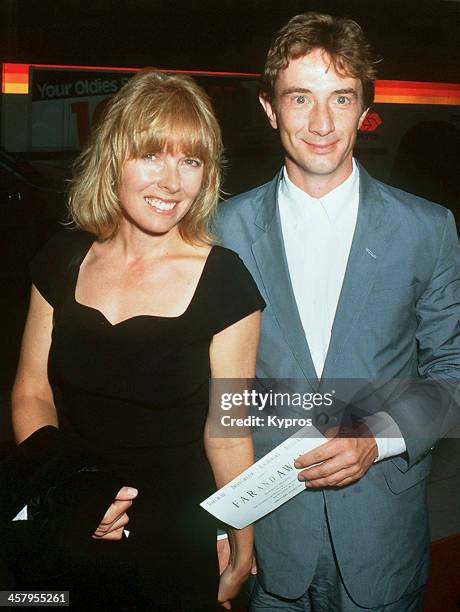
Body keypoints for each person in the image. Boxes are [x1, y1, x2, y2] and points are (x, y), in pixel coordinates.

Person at [217, 12, 460, 612]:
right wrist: (221, 525)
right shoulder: (219, 231)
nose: (321, 123)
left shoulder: (427, 228)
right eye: (300, 98)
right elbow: (208, 389)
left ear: (363, 109)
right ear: (270, 110)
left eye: (341, 99)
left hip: (384, 535)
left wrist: (379, 437)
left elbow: (453, 370)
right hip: (267, 537)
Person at [8, 68, 265, 610]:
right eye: (152, 154)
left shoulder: (226, 281)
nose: (172, 182)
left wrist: (242, 542)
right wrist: (70, 494)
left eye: (190, 161)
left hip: (179, 536)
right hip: (70, 516)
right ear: (113, 158)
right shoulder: (61, 259)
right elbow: (33, 391)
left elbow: (228, 436)